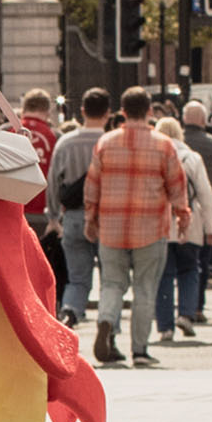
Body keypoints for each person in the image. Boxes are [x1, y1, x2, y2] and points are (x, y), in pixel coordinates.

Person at [84, 84, 189, 366]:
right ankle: (140, 350)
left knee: (112, 284)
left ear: (122, 112)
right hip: (151, 227)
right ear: (150, 112)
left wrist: (90, 219)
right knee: (145, 288)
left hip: (112, 227)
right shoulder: (164, 145)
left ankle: (107, 321)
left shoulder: (106, 143)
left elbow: (92, 185)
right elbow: (177, 185)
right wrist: (182, 215)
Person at [45, 86, 111, 327]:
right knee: (111, 277)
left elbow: (52, 182)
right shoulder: (110, 142)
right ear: (108, 113)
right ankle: (107, 319)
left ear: (82, 110)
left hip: (73, 216)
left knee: (77, 278)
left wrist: (53, 217)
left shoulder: (66, 143)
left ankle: (71, 310)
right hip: (107, 218)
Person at [152, 113, 212, 343]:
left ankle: (165, 326)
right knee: (190, 269)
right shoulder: (192, 158)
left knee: (164, 274)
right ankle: (187, 314)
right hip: (191, 221)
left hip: (161, 221)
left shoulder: (155, 155)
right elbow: (205, 194)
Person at [178, 99, 212, 324]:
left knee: (172, 267)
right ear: (203, 120)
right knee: (200, 263)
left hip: (175, 212)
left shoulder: (174, 145)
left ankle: (173, 311)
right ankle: (195, 307)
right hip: (204, 212)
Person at [12, 87, 66, 307]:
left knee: (17, 264)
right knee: (45, 264)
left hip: (14, 210)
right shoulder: (56, 137)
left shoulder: (8, 130)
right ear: (48, 110)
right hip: (44, 211)